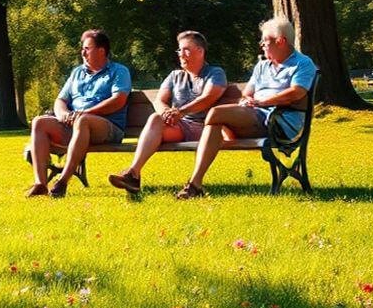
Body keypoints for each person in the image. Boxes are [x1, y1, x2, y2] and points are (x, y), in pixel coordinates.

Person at [175, 16, 316, 199]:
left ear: (281, 41)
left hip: (279, 123)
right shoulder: (262, 66)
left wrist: (262, 102)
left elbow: (297, 93)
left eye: (265, 40)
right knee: (214, 122)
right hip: (256, 116)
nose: (262, 45)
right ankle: (195, 185)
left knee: (215, 114)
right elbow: (247, 93)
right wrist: (246, 101)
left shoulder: (302, 63)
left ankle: (195, 184)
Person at [108, 31, 227, 194]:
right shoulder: (175, 76)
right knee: (155, 118)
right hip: (180, 126)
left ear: (200, 51)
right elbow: (160, 100)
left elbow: (209, 97)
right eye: (179, 50)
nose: (181, 55)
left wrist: (181, 112)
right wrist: (166, 113)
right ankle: (133, 175)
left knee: (168, 119)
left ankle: (194, 185)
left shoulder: (215, 73)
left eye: (186, 50)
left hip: (206, 128)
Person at [26, 29, 131, 198]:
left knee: (83, 120)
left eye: (87, 48)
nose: (83, 52)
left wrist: (85, 113)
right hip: (76, 125)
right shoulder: (77, 73)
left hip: (108, 127)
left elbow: (119, 100)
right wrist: (63, 114)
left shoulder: (119, 71)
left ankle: (62, 181)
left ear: (102, 50)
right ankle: (40, 184)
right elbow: (61, 100)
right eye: (83, 48)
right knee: (39, 122)